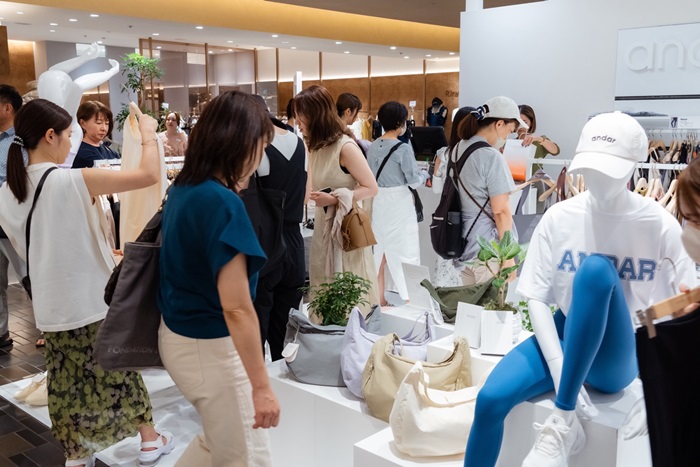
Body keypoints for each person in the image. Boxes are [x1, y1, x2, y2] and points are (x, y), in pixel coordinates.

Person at [463, 112, 696, 467]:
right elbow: (537, 297)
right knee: (489, 400)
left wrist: (656, 383)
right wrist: (558, 364)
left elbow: (679, 311)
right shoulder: (560, 217)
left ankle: (563, 417)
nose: (598, 180)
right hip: (565, 331)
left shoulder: (660, 225)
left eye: (609, 171)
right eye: (591, 169)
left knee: (595, 271)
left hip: (621, 348)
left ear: (633, 166)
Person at [0, 99, 173, 467]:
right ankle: (148, 439)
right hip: (92, 300)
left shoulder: (5, 194)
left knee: (66, 380)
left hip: (50, 307)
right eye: (67, 136)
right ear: (50, 136)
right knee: (120, 370)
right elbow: (148, 175)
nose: (70, 144)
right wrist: (147, 134)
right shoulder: (72, 180)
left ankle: (76, 454)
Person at [157, 91, 281, 465]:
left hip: (180, 336)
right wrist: (261, 387)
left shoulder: (184, 187)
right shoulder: (222, 203)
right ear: (241, 144)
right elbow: (237, 308)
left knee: (218, 443)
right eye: (261, 147)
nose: (261, 158)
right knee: (247, 457)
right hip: (211, 347)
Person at [294, 85, 379, 311]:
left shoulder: (345, 147)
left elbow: (371, 187)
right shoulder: (314, 147)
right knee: (324, 286)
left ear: (315, 115)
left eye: (300, 117)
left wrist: (334, 199)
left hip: (347, 231)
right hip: (324, 231)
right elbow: (309, 192)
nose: (297, 123)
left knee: (349, 292)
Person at [251, 94, 309, 361]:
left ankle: (256, 383)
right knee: (285, 332)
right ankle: (282, 380)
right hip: (294, 242)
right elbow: (305, 196)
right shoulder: (299, 142)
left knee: (256, 326)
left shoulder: (255, 146)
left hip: (265, 243)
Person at [454, 96, 527, 285]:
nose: (507, 138)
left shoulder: (458, 149)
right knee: (492, 303)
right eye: (509, 131)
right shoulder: (491, 156)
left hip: (463, 244)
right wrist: (508, 257)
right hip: (487, 250)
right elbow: (500, 210)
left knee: (470, 303)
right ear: (499, 124)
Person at [367, 101, 425, 306]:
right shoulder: (403, 148)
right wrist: (424, 175)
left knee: (379, 254)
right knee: (406, 254)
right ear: (401, 122)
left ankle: (379, 301)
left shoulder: (372, 146)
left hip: (378, 203)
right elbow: (413, 181)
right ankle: (411, 302)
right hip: (399, 204)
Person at [430, 106, 475, 287]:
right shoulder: (477, 153)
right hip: (472, 216)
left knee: (447, 259)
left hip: (449, 215)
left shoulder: (444, 153)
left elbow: (436, 189)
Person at [0, 84, 26, 349]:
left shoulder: (22, 140)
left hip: (15, 222)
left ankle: (50, 329)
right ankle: (1, 334)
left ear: (7, 108)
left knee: (29, 278)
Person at [517, 104, 561, 212]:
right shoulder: (509, 143)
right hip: (516, 186)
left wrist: (539, 139)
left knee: (535, 217)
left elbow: (556, 151)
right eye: (518, 122)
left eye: (525, 122)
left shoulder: (538, 141)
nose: (521, 126)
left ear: (531, 122)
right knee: (516, 216)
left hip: (536, 185)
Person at [72, 101, 120, 169]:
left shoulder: (110, 151)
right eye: (99, 123)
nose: (104, 128)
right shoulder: (80, 151)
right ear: (83, 123)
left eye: (106, 123)